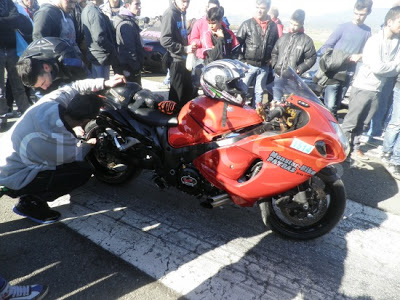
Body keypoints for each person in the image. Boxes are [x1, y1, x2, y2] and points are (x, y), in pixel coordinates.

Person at [0, 74, 126, 224]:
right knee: (82, 171)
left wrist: (105, 83)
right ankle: (30, 202)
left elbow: (76, 86)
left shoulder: (51, 101)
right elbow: (77, 154)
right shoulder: (57, 144)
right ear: (87, 120)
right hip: (11, 176)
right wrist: (90, 143)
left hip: (5, 153)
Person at [341, 6, 400, 161]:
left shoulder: (396, 42)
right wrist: (394, 66)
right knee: (351, 122)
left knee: (365, 123)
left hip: (378, 88)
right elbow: (377, 67)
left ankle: (355, 148)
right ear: (389, 22)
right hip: (363, 87)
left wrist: (391, 67)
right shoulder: (375, 41)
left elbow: (387, 68)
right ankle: (341, 149)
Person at [318, 0, 373, 119]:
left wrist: (360, 55)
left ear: (368, 13)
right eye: (356, 13)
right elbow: (325, 48)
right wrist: (339, 58)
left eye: (362, 15)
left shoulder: (367, 31)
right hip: (334, 73)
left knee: (337, 104)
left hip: (349, 74)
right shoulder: (342, 28)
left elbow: (369, 52)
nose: (358, 17)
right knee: (330, 106)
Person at [236, 0, 279, 108]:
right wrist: (242, 61)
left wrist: (271, 60)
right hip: (248, 65)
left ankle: (256, 114)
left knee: (259, 93)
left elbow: (276, 45)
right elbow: (236, 45)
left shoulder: (273, 26)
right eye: (257, 7)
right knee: (242, 90)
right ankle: (239, 113)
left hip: (264, 66)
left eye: (262, 8)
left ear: (268, 9)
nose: (259, 10)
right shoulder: (247, 24)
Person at [0, 0, 33, 130]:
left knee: (19, 85)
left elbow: (16, 19)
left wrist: (5, 21)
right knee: (0, 89)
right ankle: (2, 118)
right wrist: (9, 22)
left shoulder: (9, 2)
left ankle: (25, 114)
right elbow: (12, 21)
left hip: (13, 49)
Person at [271, 9, 316, 101]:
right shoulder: (283, 38)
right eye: (291, 23)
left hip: (292, 79)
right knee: (276, 101)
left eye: (296, 25)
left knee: (289, 104)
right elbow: (274, 53)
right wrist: (275, 65)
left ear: (301, 24)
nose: (293, 27)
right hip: (278, 76)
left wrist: (299, 69)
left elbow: (311, 58)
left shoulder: (306, 41)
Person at [160, 0, 197, 112]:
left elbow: (181, 35)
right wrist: (184, 49)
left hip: (185, 61)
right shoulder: (170, 13)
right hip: (176, 61)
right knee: (176, 99)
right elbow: (165, 40)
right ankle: (172, 126)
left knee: (187, 97)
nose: (186, 4)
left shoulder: (182, 13)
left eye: (188, 2)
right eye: (183, 1)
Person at [16, 37, 87, 94]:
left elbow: (86, 81)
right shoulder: (27, 71)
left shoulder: (67, 59)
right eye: (40, 86)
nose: (44, 87)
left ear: (46, 67)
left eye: (43, 83)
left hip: (66, 58)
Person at [82, 0, 119, 80]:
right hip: (101, 57)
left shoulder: (88, 10)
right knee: (102, 87)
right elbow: (99, 37)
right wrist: (112, 48)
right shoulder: (94, 12)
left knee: (98, 85)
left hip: (97, 55)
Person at [114, 0, 144, 85]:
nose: (139, 7)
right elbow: (129, 50)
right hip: (129, 68)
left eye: (140, 4)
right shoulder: (126, 24)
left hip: (128, 66)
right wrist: (136, 67)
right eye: (136, 4)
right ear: (128, 5)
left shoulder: (129, 21)